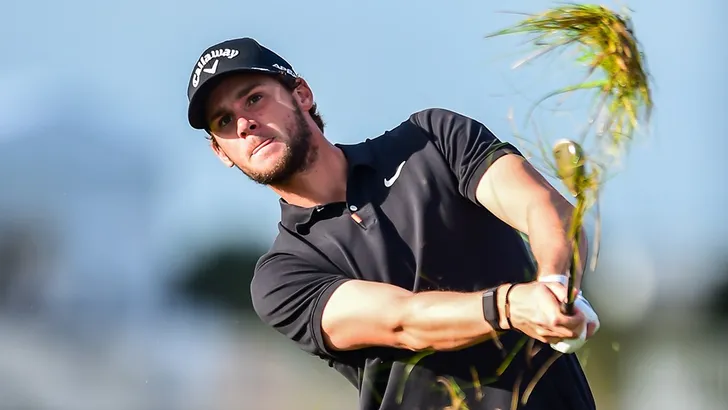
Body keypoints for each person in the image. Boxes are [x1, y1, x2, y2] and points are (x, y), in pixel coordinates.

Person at [185, 37, 599, 410]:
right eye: (224, 122)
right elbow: (404, 322)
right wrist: (510, 307)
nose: (244, 124)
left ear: (302, 94)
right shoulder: (281, 277)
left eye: (254, 99)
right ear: (221, 153)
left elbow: (544, 209)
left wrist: (555, 283)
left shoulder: (432, 140)